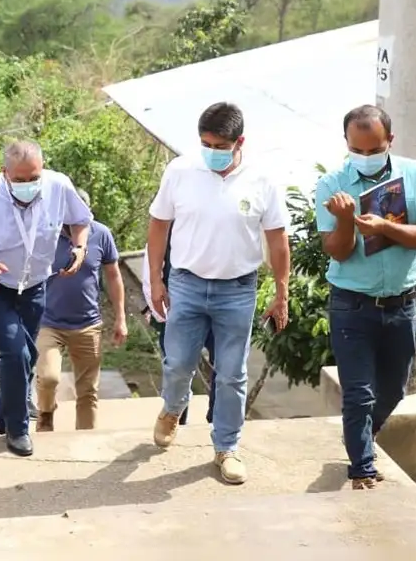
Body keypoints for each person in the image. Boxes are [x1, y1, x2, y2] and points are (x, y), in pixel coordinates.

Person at [146, 102, 290, 485]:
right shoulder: (181, 171)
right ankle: (173, 408)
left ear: (239, 142)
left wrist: (282, 291)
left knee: (231, 373)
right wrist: (156, 280)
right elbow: (158, 226)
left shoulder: (261, 180)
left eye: (219, 145)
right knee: (178, 363)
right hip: (187, 283)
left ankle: (227, 447)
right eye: (205, 143)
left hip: (237, 290)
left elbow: (277, 239)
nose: (211, 151)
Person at [315, 104, 416, 490]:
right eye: (357, 150)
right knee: (359, 393)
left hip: (401, 303)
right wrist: (344, 220)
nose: (365, 157)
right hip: (351, 304)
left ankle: (362, 436)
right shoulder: (332, 184)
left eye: (374, 149)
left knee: (393, 389)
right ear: (346, 143)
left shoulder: (414, 175)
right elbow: (337, 251)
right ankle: (362, 469)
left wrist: (386, 227)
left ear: (390, 141)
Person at [0, 140, 93, 456]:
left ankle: (3, 394)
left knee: (22, 357)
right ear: (5, 173)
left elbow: (81, 219)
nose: (28, 185)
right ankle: (18, 429)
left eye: (34, 178)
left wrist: (80, 247)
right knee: (17, 353)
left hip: (34, 286)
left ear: (43, 170)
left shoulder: (58, 186)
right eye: (20, 179)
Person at [29, 188, 128, 432]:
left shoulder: (101, 234)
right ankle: (45, 413)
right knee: (48, 378)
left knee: (87, 392)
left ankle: (86, 439)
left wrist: (121, 318)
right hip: (48, 322)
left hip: (87, 324)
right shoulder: (45, 235)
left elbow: (114, 276)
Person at [141, 229, 217, 426]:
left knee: (224, 364)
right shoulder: (167, 228)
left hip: (216, 311)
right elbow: (151, 273)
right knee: (178, 368)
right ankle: (175, 418)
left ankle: (217, 419)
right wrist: (164, 316)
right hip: (176, 312)